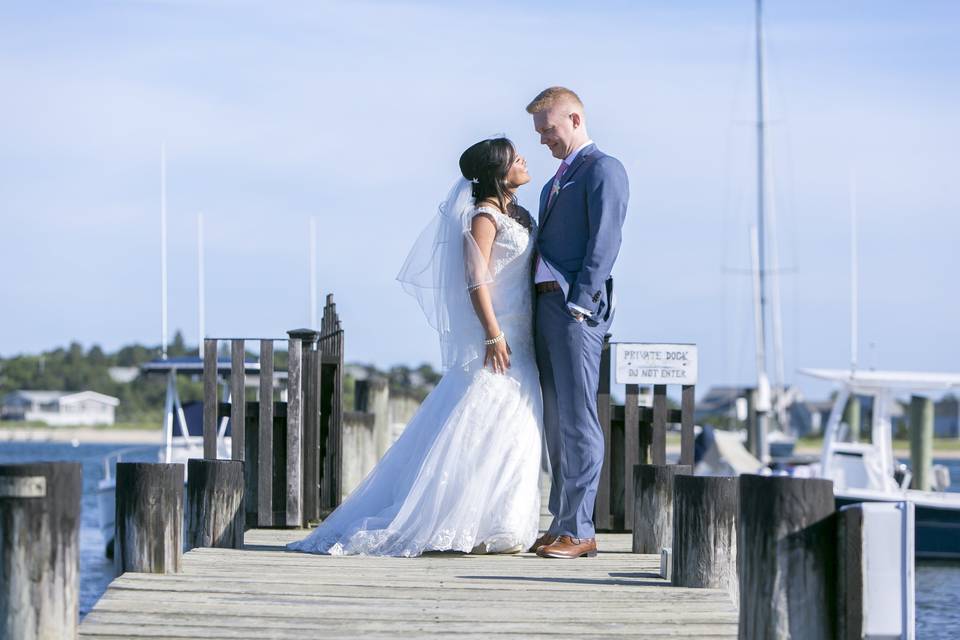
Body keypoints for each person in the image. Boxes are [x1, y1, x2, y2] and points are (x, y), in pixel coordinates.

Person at [287, 138, 544, 557]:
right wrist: (493, 334)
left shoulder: (513, 214)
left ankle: (503, 521)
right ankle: (467, 521)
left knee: (518, 430)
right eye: (515, 158)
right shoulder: (482, 217)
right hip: (501, 335)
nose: (523, 160)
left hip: (524, 335)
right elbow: (476, 282)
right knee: (491, 423)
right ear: (498, 172)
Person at [526, 87, 629, 559]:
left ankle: (581, 529)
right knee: (554, 420)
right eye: (539, 132)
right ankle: (562, 520)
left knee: (578, 418)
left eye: (548, 129)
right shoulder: (552, 184)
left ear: (573, 118)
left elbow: (605, 240)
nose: (543, 139)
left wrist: (582, 301)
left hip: (573, 309)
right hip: (541, 309)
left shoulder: (603, 169)